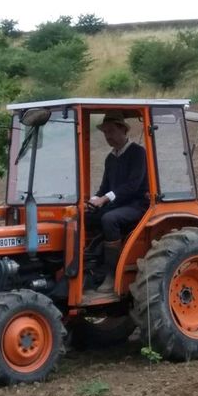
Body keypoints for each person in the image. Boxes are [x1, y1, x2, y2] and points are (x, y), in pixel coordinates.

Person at [85, 112, 149, 294]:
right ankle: (90, 267)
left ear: (123, 129)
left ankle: (112, 273)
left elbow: (133, 185)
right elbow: (104, 187)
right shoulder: (110, 158)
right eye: (105, 132)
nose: (108, 136)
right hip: (118, 204)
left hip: (137, 204)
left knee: (109, 219)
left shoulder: (138, 153)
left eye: (111, 131)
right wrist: (92, 201)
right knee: (85, 216)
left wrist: (105, 199)